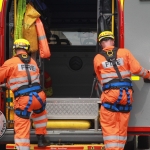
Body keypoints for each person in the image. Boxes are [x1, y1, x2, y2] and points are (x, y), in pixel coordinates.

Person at [93, 31, 150, 150]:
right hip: (126, 96)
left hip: (110, 97)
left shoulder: (98, 58)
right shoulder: (125, 52)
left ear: (100, 43)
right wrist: (148, 75)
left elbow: (100, 79)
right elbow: (137, 69)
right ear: (113, 41)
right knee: (121, 128)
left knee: (110, 128)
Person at [0, 39, 50, 149]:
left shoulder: (10, 62)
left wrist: (7, 85)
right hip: (39, 97)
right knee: (40, 115)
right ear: (27, 49)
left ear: (15, 49)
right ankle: (41, 140)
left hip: (24, 99)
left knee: (22, 128)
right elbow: (28, 80)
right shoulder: (33, 62)